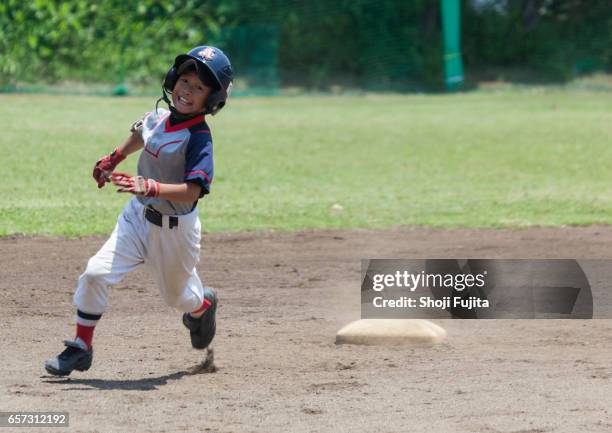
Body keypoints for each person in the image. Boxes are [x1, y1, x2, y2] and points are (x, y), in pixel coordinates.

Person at [44, 46, 233, 376]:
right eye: (184, 80)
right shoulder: (159, 116)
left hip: (176, 229)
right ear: (173, 80)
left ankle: (203, 307)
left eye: (199, 87)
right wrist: (113, 158)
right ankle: (81, 345)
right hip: (137, 216)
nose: (187, 90)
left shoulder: (199, 137)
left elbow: (194, 190)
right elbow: (142, 133)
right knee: (95, 272)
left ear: (212, 98)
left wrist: (151, 186)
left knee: (179, 298)